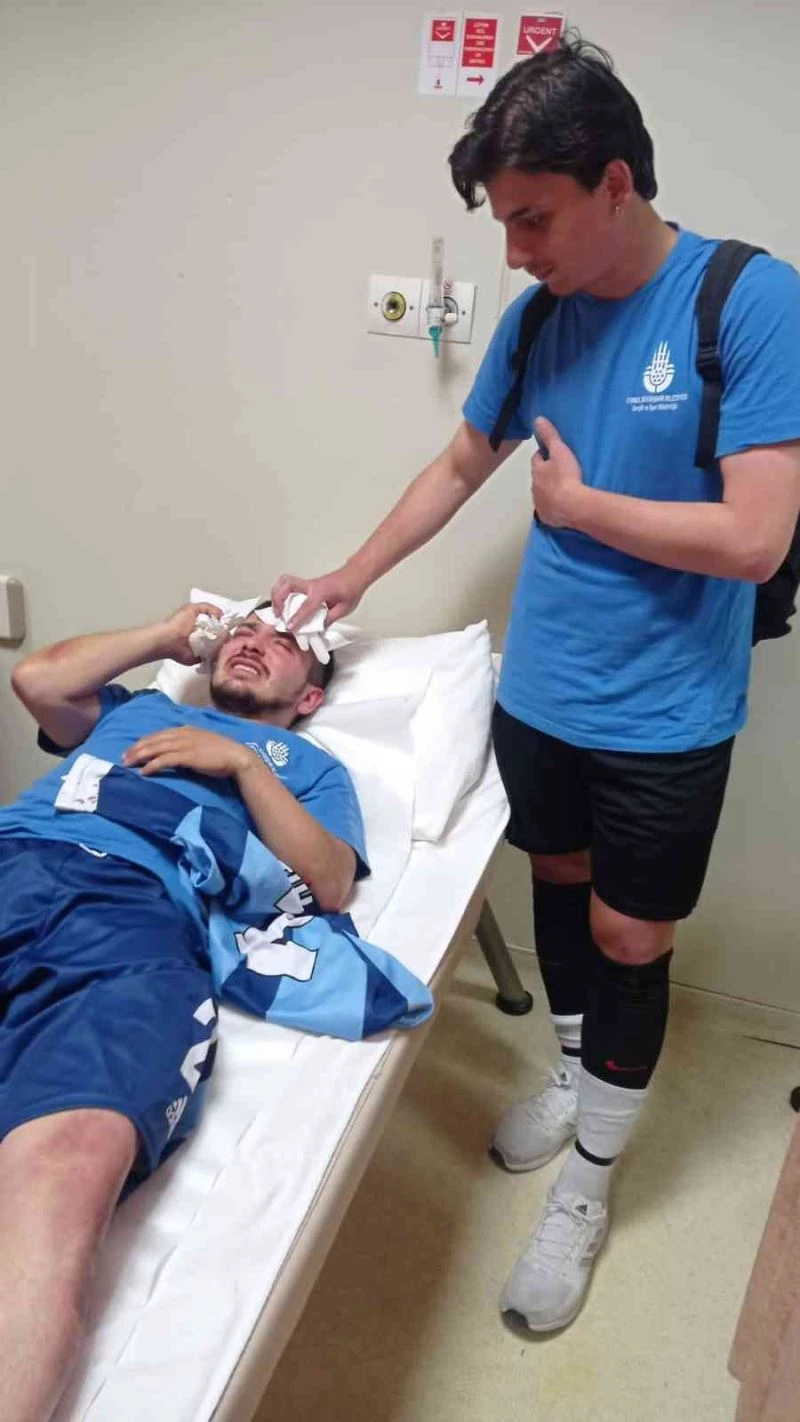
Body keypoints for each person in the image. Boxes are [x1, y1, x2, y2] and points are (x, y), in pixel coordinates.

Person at [271, 38, 800, 1334]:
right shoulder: (539, 318)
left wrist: (581, 507)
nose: (513, 251)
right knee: (556, 885)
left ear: (614, 182)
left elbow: (756, 539)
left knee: (631, 937)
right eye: (502, 223)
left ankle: (589, 1184)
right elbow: (461, 465)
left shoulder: (749, 301)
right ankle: (574, 1072)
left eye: (532, 218)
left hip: (667, 711)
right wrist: (347, 576)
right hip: (544, 690)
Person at [0, 601, 367, 1422]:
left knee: (70, 1155)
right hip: (15, 858)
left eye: (284, 642)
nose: (256, 640)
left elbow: (331, 880)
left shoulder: (308, 768)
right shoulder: (134, 710)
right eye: (246, 628)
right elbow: (36, 680)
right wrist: (166, 639)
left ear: (310, 697)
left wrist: (241, 765)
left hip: (136, 918)